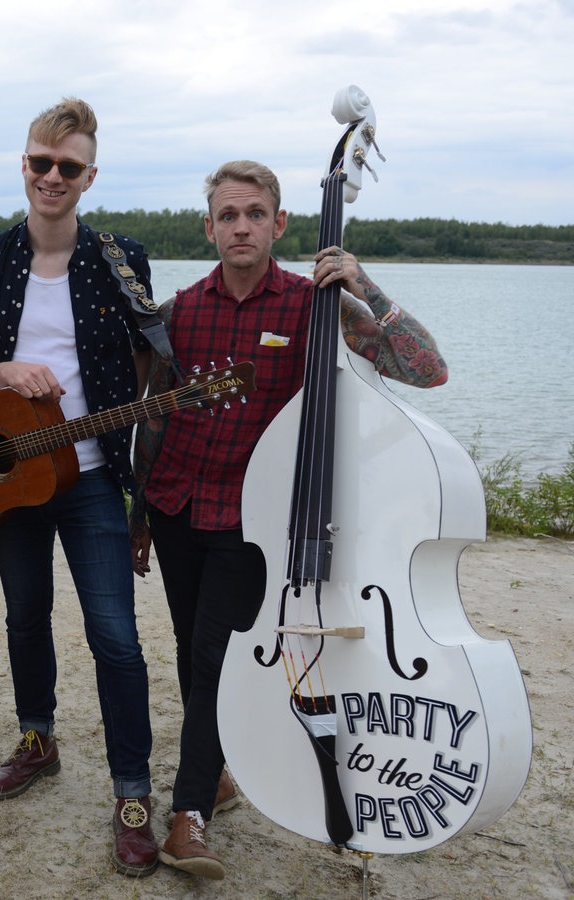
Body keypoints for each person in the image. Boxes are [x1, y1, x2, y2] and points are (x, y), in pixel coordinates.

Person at [129, 160, 449, 881]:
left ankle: (187, 818)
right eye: (227, 215)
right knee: (190, 652)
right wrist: (138, 513)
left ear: (278, 224)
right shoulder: (180, 309)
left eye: (255, 214)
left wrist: (364, 284)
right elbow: (153, 422)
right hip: (178, 507)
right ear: (208, 226)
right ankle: (213, 774)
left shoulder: (317, 304)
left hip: (254, 522)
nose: (240, 227)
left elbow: (427, 370)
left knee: (215, 658)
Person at [0, 98, 159, 876]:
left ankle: (133, 795)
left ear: (89, 176)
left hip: (94, 477)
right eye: (41, 162)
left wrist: (126, 450)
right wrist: (3, 374)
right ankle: (38, 740)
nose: (52, 177)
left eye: (69, 167)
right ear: (24, 163)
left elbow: (148, 362)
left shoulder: (122, 256)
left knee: (116, 640)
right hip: (12, 478)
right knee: (24, 618)